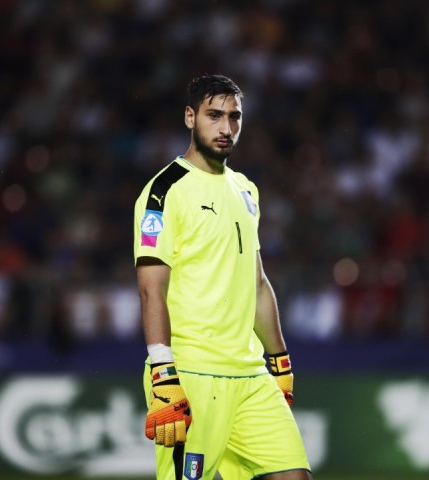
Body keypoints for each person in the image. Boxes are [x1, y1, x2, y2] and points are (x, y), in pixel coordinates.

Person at [133, 74, 313, 479]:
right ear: (189, 117)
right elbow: (150, 290)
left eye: (235, 117)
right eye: (214, 115)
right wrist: (164, 373)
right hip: (191, 374)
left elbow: (257, 283)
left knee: (294, 475)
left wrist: (279, 361)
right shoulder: (164, 191)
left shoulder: (247, 190)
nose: (226, 127)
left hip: (250, 375)